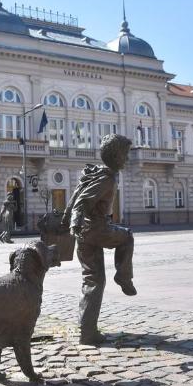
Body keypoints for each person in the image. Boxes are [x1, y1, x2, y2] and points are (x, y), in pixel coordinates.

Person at [62, 134, 136, 345]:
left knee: (93, 280)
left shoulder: (97, 175)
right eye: (125, 155)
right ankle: (123, 276)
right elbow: (82, 202)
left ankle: (87, 332)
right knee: (127, 237)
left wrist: (75, 225)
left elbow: (79, 199)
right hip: (96, 229)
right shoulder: (106, 178)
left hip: (85, 233)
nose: (127, 159)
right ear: (116, 156)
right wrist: (74, 222)